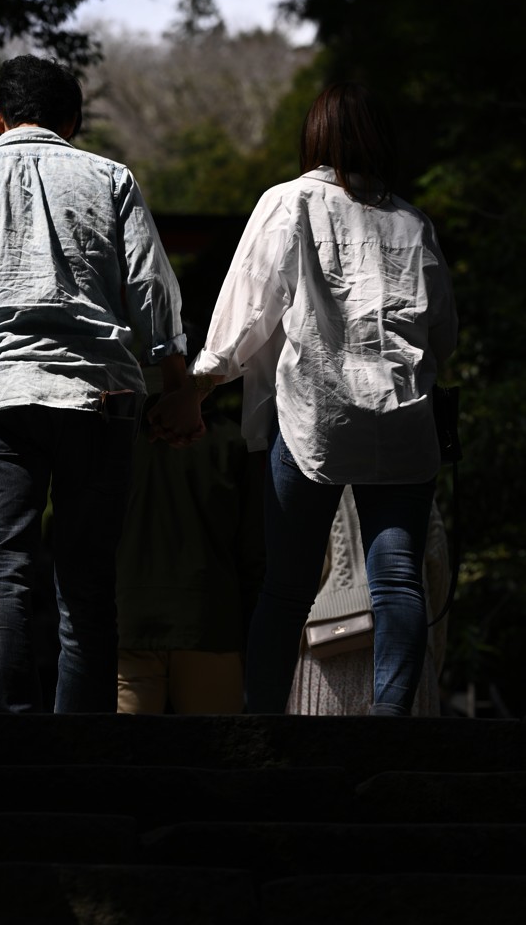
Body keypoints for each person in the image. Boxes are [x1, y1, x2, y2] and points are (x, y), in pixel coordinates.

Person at [0, 54, 200, 714]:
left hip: (1, 396)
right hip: (100, 396)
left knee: (3, 568)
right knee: (86, 581)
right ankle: (79, 743)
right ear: (72, 121)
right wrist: (176, 385)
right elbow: (150, 288)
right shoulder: (109, 178)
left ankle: (11, 737)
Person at [149, 81, 458, 716]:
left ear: (315, 135)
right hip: (403, 421)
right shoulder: (411, 221)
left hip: (315, 417)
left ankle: (264, 723)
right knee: (398, 582)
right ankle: (391, 720)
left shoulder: (290, 203)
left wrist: (200, 387)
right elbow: (443, 332)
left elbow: (248, 310)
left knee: (285, 589)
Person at [116, 326, 265, 715]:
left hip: (126, 621)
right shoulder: (233, 442)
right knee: (215, 764)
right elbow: (254, 551)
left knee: (118, 767)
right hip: (210, 624)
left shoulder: (112, 441)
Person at [287, 487, 451, 715]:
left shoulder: (319, 472)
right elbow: (438, 571)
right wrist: (433, 653)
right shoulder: (412, 471)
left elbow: (299, 577)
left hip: (326, 649)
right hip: (405, 647)